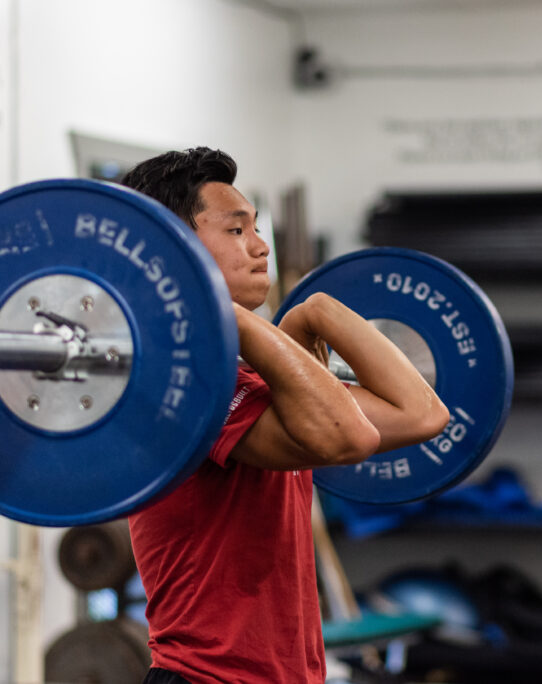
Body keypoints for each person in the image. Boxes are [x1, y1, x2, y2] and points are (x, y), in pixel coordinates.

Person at [120, 147, 449, 684]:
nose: (260, 246)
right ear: (175, 248)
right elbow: (347, 438)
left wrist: (319, 312)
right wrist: (218, 310)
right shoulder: (182, 383)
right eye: (235, 230)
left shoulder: (243, 374)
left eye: (256, 227)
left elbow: (422, 414)